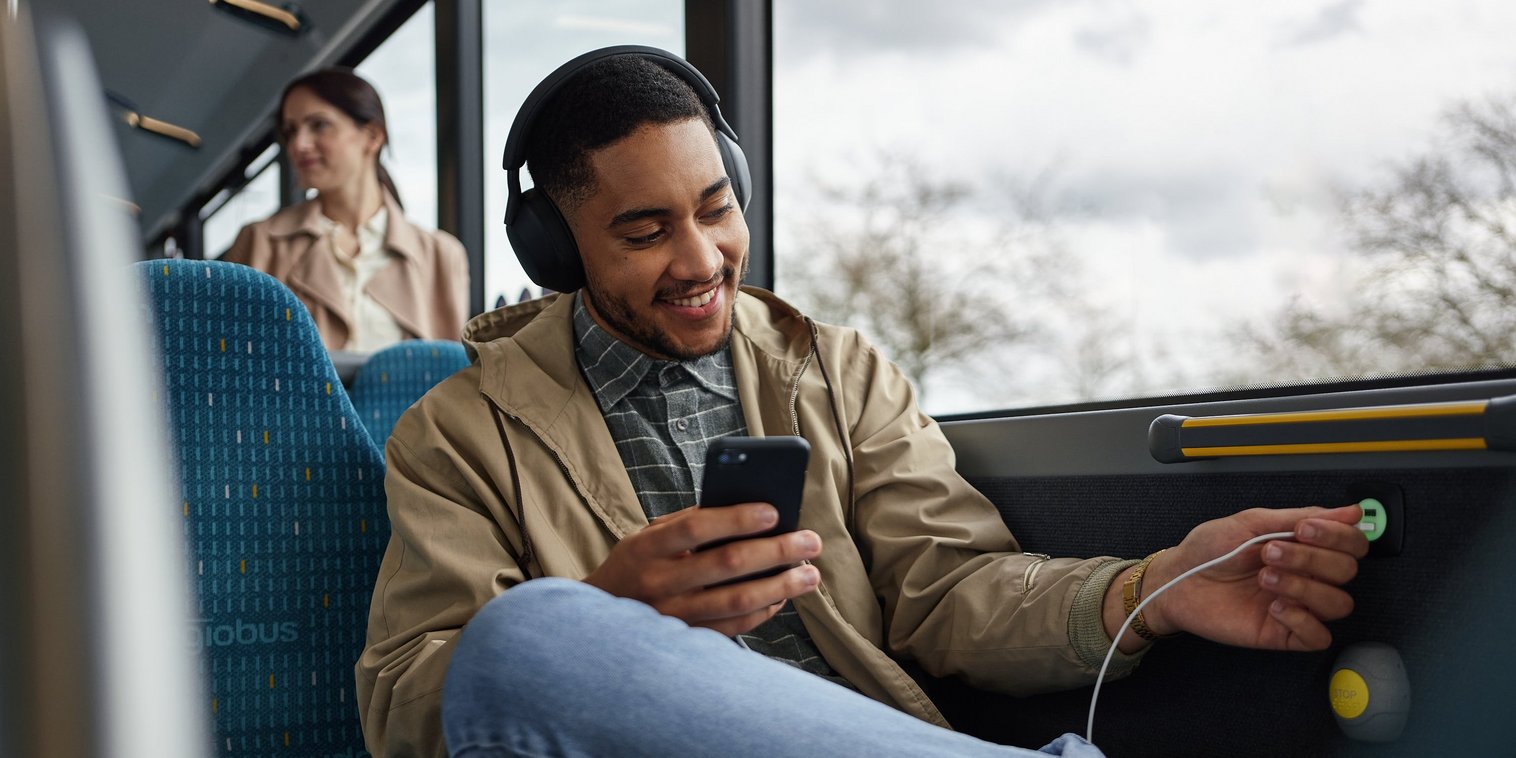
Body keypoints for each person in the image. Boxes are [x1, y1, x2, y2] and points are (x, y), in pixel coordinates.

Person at [356, 47, 1368, 757]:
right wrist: (612, 609)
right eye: (644, 230)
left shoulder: (833, 370)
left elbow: (948, 590)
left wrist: (1145, 587)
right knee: (528, 638)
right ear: (554, 247)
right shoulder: (454, 434)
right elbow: (408, 700)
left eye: (716, 206)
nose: (703, 257)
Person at [222, 68, 469, 352]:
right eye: (291, 131)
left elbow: (453, 377)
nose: (298, 144)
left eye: (319, 125)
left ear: (373, 136)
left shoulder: (441, 256)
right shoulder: (260, 242)